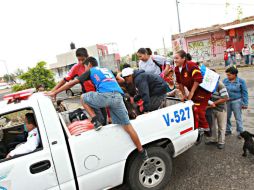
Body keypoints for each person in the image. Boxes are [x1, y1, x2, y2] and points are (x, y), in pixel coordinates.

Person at [47, 57, 148, 161]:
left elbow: (71, 83)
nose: (84, 70)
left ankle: (96, 121)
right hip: (118, 97)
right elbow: (121, 80)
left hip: (104, 96)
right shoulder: (106, 69)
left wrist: (55, 92)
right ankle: (142, 151)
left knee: (83, 98)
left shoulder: (91, 71)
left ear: (89, 64)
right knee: (127, 126)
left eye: (85, 67)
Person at [50, 47, 106, 125]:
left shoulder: (92, 65)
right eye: (79, 60)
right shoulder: (76, 67)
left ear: (88, 57)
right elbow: (66, 80)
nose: (81, 62)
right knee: (100, 119)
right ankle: (98, 124)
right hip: (88, 95)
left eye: (83, 60)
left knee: (104, 117)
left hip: (99, 93)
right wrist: (53, 91)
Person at [174, 50, 211, 136]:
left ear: (183, 58)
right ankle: (200, 127)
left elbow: (198, 79)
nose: (175, 60)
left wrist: (191, 93)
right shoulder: (176, 69)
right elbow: (180, 83)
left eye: (177, 58)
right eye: (174, 58)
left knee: (199, 110)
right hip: (193, 91)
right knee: (193, 109)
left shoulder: (190, 65)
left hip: (202, 92)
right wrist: (183, 95)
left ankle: (206, 128)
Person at [223, 67, 248, 139]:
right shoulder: (225, 81)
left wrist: (245, 103)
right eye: (227, 75)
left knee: (238, 118)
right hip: (227, 102)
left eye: (229, 75)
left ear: (235, 75)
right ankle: (228, 130)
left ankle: (240, 132)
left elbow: (244, 93)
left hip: (237, 101)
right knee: (227, 117)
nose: (227, 76)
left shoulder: (241, 81)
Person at [205, 79, 229, 149]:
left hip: (221, 109)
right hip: (212, 108)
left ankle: (221, 142)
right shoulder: (208, 85)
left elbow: (225, 98)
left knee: (221, 127)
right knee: (213, 126)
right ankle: (214, 139)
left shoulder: (220, 85)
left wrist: (213, 103)